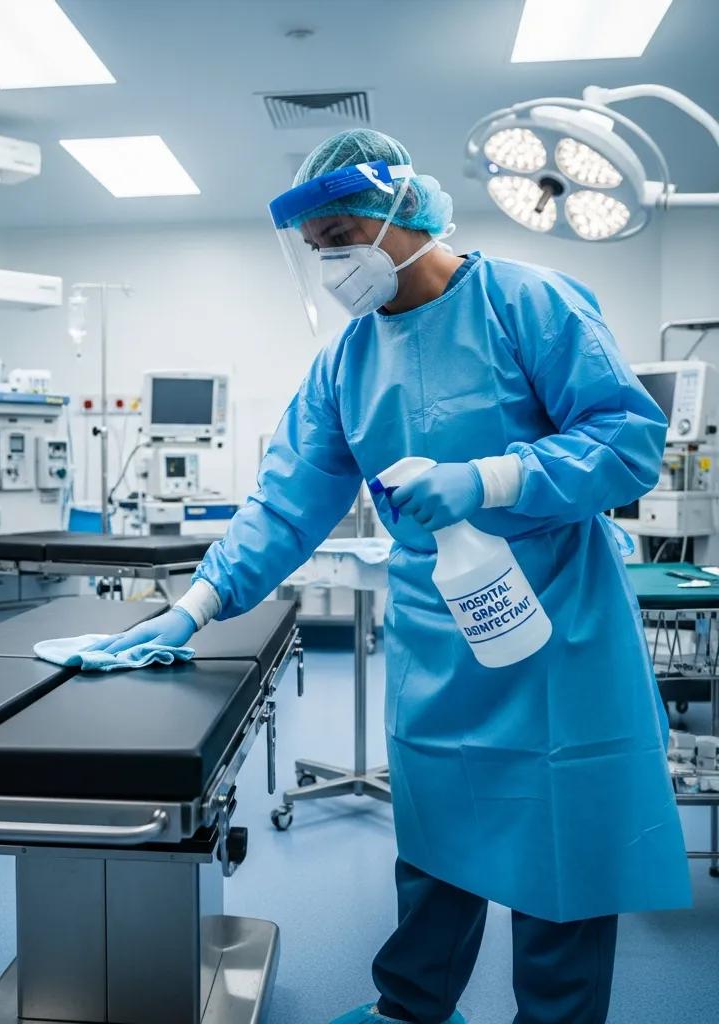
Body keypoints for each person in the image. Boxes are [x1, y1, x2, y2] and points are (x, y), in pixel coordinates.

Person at [94, 129, 691, 1024]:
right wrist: (195, 604)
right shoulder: (346, 362)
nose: (333, 262)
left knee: (561, 851)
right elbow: (289, 501)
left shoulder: (525, 303)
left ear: (401, 214)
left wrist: (489, 477)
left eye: (342, 236)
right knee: (437, 832)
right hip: (437, 636)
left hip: (557, 629)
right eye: (317, 248)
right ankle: (412, 1008)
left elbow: (627, 441)